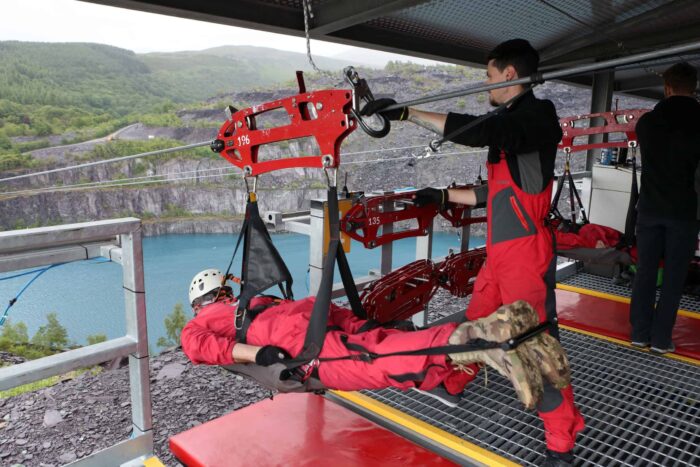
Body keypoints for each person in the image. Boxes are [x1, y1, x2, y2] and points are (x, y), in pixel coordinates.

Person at [362, 39, 584, 465]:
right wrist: (443, 196)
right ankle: (455, 381)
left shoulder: (537, 117)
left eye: (488, 76)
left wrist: (408, 113)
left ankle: (562, 441)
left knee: (532, 345)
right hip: (501, 254)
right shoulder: (513, 128)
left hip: (524, 256)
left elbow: (483, 130)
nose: (486, 84)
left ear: (508, 74)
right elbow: (496, 193)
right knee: (474, 323)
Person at [181, 268, 571, 410]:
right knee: (384, 345)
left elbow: (201, 347)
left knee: (384, 361)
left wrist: (257, 353)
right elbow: (315, 307)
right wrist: (357, 325)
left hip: (302, 348)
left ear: (199, 301)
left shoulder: (205, 321)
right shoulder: (259, 300)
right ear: (223, 290)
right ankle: (478, 339)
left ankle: (479, 342)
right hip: (315, 322)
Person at [630, 62, 700, 355]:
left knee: (645, 271)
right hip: (684, 212)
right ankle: (661, 340)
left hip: (649, 208)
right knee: (673, 276)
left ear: (667, 88)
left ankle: (639, 333)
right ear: (694, 88)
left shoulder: (647, 122)